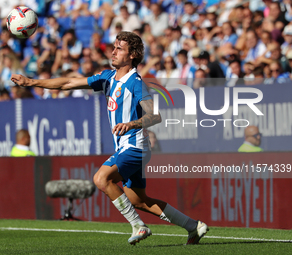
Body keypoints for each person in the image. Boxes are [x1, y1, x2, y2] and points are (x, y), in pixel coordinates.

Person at [11, 31, 208, 245]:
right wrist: (31, 82)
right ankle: (193, 226)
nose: (113, 52)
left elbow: (154, 115)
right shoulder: (107, 78)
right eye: (114, 47)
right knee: (138, 200)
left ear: (132, 54)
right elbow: (67, 83)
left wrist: (131, 123)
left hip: (135, 146)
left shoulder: (135, 82)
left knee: (101, 178)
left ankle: (138, 226)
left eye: (119, 49)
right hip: (127, 147)